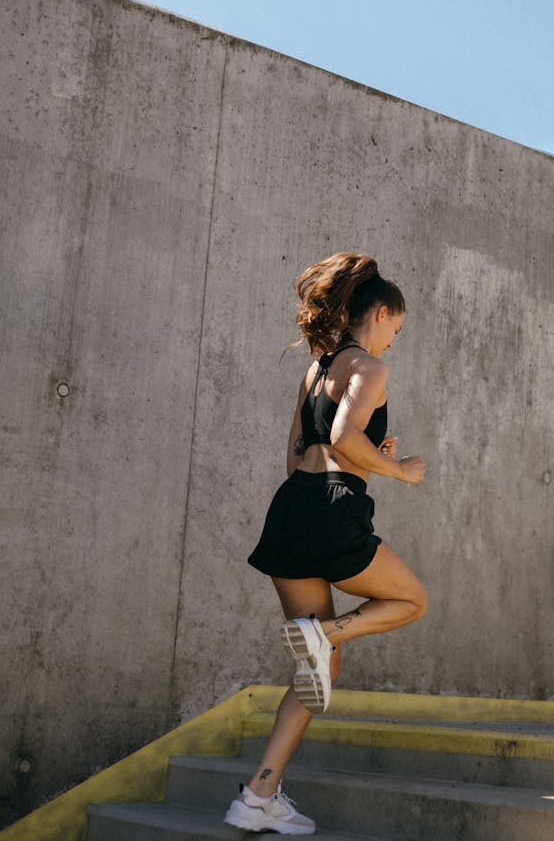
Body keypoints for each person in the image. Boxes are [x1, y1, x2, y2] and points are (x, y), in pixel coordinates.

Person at [223, 252, 428, 835]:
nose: (395, 341)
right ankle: (326, 632)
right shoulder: (370, 368)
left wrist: (366, 460)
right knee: (412, 600)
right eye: (397, 328)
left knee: (319, 670)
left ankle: (258, 796)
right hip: (333, 513)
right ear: (381, 312)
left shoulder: (316, 368)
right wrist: (400, 470)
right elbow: (343, 439)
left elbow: (299, 451)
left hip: (290, 511)